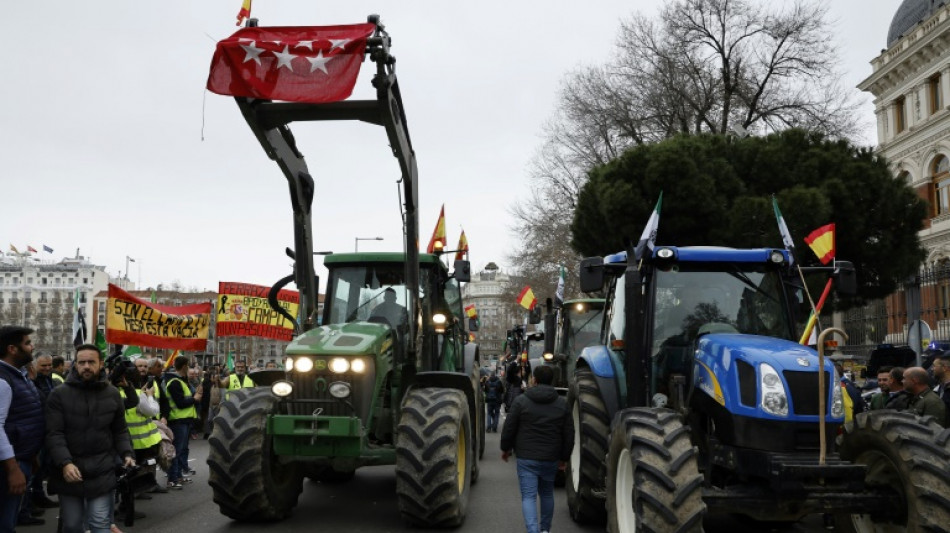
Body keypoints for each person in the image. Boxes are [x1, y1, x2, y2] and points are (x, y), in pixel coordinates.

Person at [46, 344, 135, 533]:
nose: (86, 366)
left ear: (101, 364)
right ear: (75, 365)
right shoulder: (59, 395)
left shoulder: (112, 394)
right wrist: (65, 464)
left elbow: (120, 430)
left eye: (91, 362)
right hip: (69, 473)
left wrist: (127, 453)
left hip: (102, 471)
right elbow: (55, 434)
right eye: (82, 362)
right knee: (72, 525)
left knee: (100, 524)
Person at [500, 365, 573, 533]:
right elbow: (569, 433)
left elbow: (509, 427)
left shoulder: (521, 401)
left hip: (526, 457)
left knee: (529, 496)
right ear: (552, 380)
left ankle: (533, 530)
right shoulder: (562, 404)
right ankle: (545, 529)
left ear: (534, 380)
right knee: (547, 494)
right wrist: (564, 458)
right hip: (551, 457)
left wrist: (506, 449)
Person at [0, 326, 45, 532]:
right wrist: (13, 469)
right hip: (8, 466)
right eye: (27, 343)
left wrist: (31, 456)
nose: (32, 346)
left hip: (21, 459)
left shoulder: (19, 376)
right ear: (12, 349)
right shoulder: (3, 379)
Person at [164, 357, 202, 490]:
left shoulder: (181, 381)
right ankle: (172, 479)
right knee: (176, 451)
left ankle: (178, 476)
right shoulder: (174, 382)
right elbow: (180, 403)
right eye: (188, 365)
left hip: (184, 421)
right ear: (185, 366)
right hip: (177, 421)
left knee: (181, 450)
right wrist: (194, 399)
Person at [29, 354, 59, 511]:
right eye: (43, 366)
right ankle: (30, 503)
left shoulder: (51, 380)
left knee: (42, 468)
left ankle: (39, 497)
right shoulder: (31, 382)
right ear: (35, 366)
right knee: (35, 468)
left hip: (49, 428)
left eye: (49, 365)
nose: (47, 368)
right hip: (38, 429)